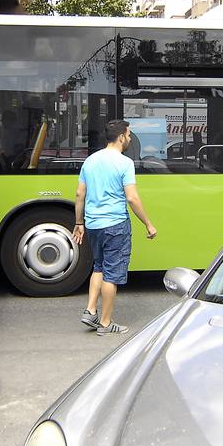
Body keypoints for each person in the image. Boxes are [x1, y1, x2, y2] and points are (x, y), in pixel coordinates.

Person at [72, 120, 156, 335]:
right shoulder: (124, 163)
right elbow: (132, 198)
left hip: (93, 224)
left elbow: (80, 194)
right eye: (128, 136)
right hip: (115, 224)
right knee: (112, 274)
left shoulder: (90, 161)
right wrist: (148, 223)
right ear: (120, 137)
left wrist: (79, 222)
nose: (129, 139)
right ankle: (106, 324)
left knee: (98, 267)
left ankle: (90, 311)